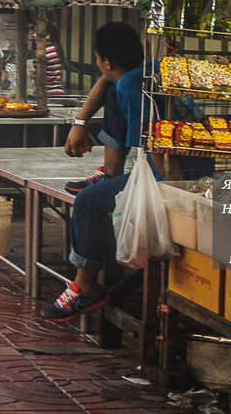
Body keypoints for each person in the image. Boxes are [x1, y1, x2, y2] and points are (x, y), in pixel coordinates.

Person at [43, 22, 155, 321]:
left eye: (98, 58)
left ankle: (86, 288)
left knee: (89, 202)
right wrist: (79, 124)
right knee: (111, 87)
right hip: (165, 167)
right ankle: (110, 174)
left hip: (162, 176)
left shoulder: (130, 85)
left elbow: (149, 154)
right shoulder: (144, 71)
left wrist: (129, 186)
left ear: (107, 61)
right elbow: (105, 82)